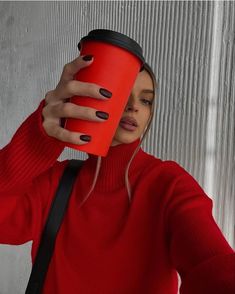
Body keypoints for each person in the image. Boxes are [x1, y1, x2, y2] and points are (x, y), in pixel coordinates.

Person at [0, 54, 234, 294]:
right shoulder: (56, 181)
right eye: (122, 93)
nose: (134, 106)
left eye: (146, 101)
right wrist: (40, 140)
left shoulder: (168, 184)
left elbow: (211, 265)